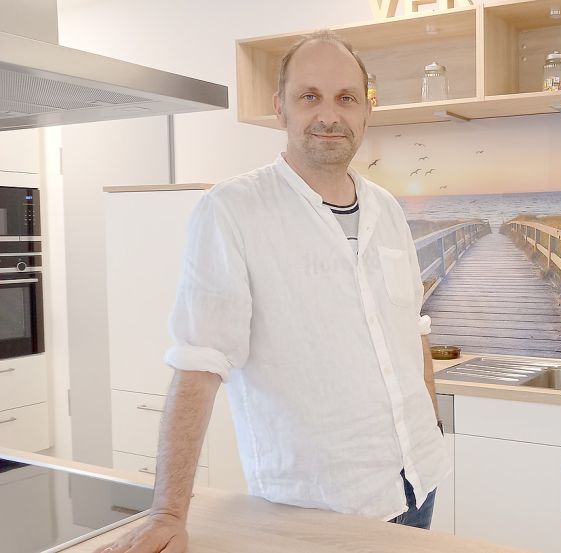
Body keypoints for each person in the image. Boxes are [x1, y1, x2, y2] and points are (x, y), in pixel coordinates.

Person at [93, 30, 450, 553]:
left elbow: (411, 328)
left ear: (366, 112)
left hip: (418, 482)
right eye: (310, 96)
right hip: (318, 506)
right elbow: (199, 363)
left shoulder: (389, 211)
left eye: (346, 98)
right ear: (279, 107)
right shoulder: (233, 211)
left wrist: (433, 426)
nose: (329, 114)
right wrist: (169, 512)